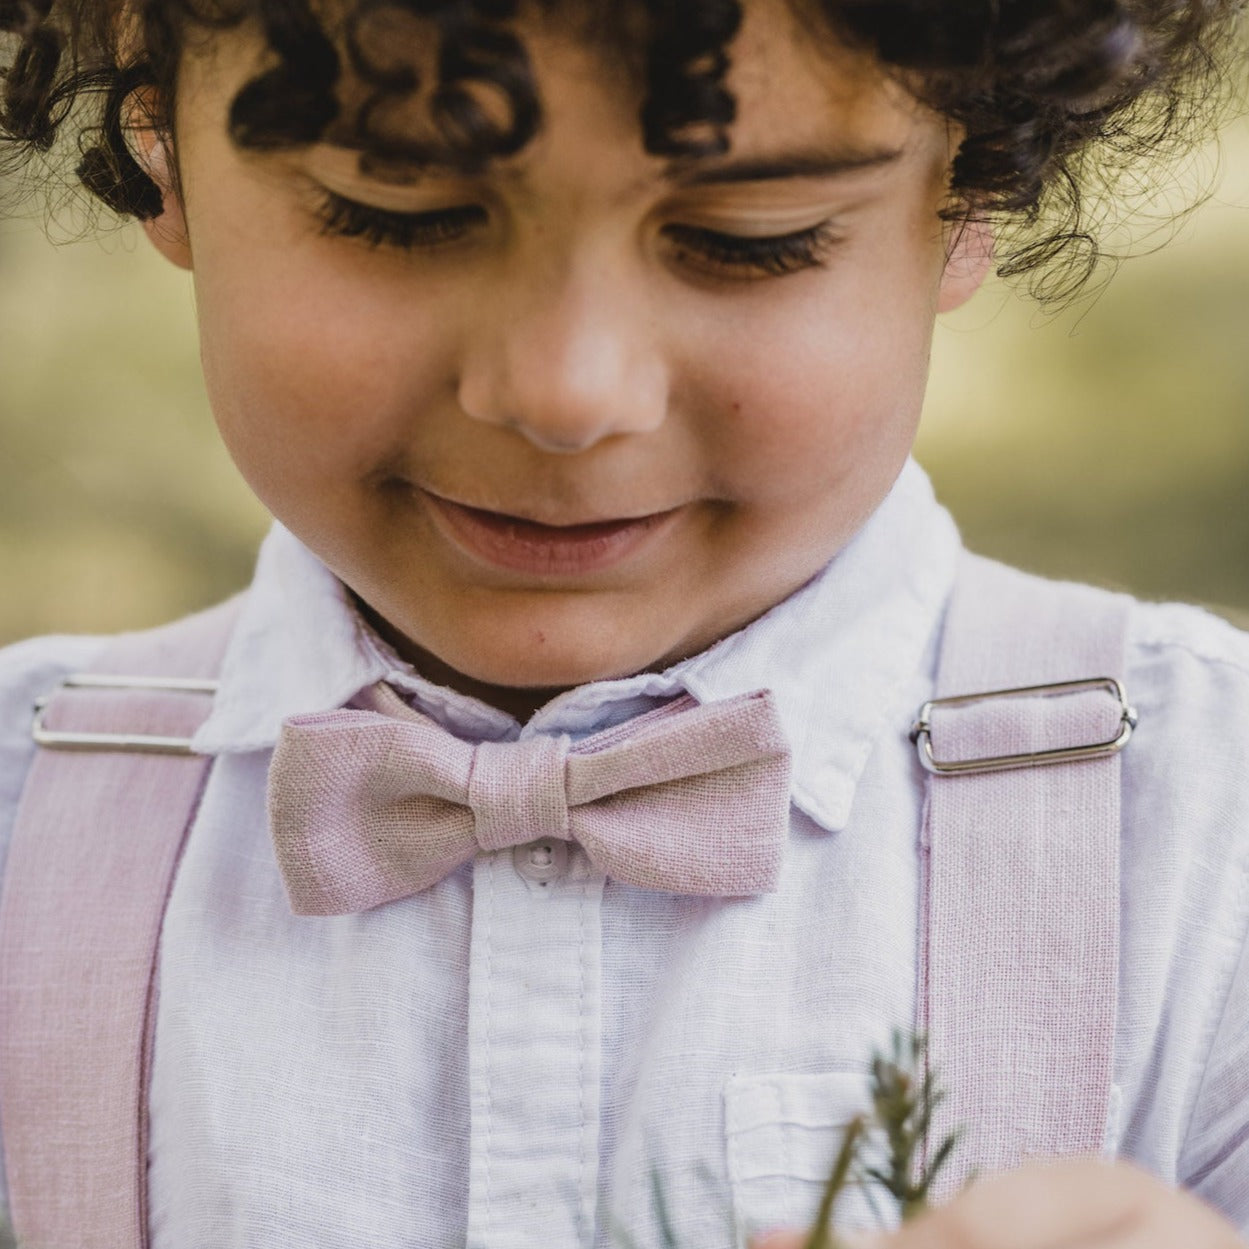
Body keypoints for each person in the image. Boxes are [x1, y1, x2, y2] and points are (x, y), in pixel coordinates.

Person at [1, 1, 1247, 1247]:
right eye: (398, 212)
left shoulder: (1210, 836)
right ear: (158, 139)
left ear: (975, 183)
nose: (564, 393)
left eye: (744, 238)